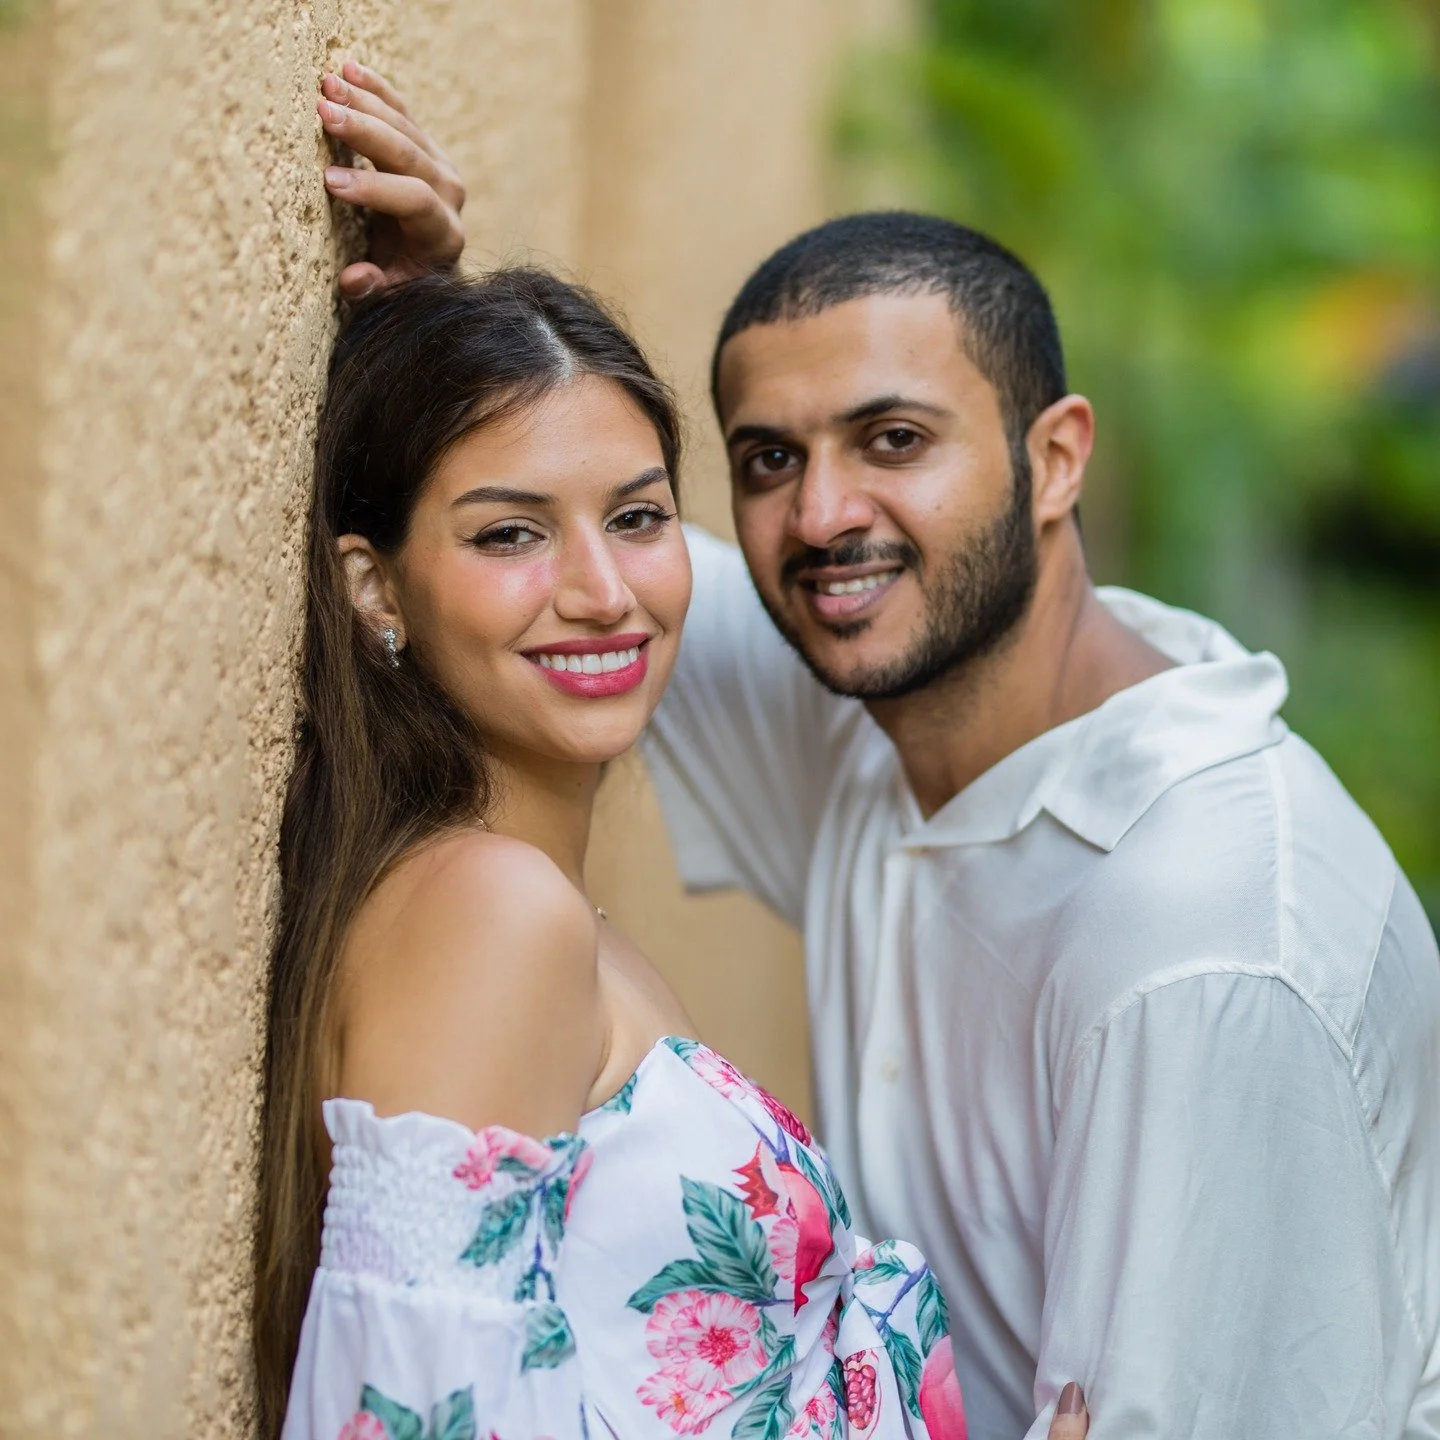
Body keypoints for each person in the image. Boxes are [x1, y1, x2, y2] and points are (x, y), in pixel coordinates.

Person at [311, 63, 1440, 1439]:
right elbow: (560, 592)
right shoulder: (870, 712)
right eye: (769, 460)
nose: (827, 513)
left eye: (894, 439)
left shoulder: (1205, 943)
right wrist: (449, 334)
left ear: (1059, 459)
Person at [252, 256, 1090, 1440]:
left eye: (638, 518)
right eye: (510, 535)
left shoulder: (544, 911)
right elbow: (407, 1420)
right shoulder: (493, 914)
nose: (603, 591)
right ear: (374, 587)